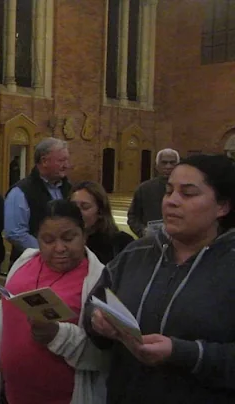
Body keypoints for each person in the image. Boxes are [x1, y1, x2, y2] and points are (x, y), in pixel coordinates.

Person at [85, 154, 235, 404]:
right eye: (169, 191)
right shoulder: (136, 253)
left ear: (222, 206)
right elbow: (94, 302)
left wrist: (183, 353)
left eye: (188, 193)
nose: (171, 202)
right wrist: (97, 321)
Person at [0, 200, 107, 404]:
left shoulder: (98, 279)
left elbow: (101, 356)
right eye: (48, 240)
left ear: (84, 234)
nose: (59, 248)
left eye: (69, 238)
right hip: (11, 393)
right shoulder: (25, 261)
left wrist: (57, 334)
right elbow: (2, 318)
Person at [5, 137, 72, 266]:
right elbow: (15, 233)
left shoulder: (69, 189)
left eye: (67, 160)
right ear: (44, 161)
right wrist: (48, 251)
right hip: (30, 264)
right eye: (61, 160)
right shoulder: (21, 191)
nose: (66, 165)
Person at [71, 181, 134, 264]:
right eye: (72, 206)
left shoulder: (121, 243)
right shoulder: (62, 244)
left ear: (100, 211)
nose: (77, 212)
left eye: (85, 207)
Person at [127, 148, 179, 238]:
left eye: (172, 162)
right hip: (151, 241)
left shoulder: (187, 189)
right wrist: (143, 231)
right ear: (157, 166)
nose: (168, 166)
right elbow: (133, 217)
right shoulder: (144, 189)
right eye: (164, 163)